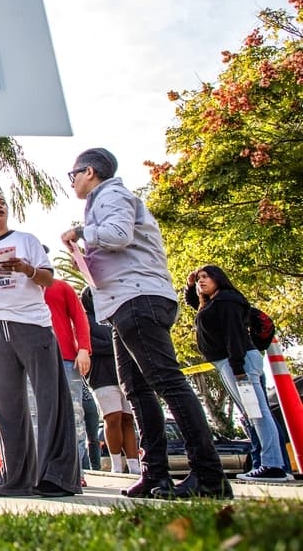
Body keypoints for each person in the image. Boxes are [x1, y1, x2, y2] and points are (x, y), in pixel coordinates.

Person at [61, 148, 231, 499]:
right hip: (121, 303)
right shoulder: (102, 202)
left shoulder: (112, 195)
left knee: (167, 381)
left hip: (138, 298)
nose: (72, 181)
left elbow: (118, 234)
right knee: (137, 390)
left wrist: (80, 232)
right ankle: (155, 474)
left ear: (89, 172)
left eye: (73, 174)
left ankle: (209, 476)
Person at [0, 187, 80, 498]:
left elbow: (48, 279)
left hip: (32, 325)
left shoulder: (26, 241)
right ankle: (16, 479)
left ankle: (57, 477)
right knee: (8, 405)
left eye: (2, 202)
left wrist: (26, 269)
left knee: (49, 400)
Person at [185, 265, 288, 482]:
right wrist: (190, 286)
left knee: (258, 413)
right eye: (200, 277)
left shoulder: (227, 300)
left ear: (218, 278)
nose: (202, 281)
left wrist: (238, 368)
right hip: (231, 363)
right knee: (253, 414)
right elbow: (197, 307)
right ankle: (270, 464)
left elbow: (234, 335)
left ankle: (273, 465)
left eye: (206, 277)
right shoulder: (213, 303)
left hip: (238, 362)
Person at [80, 286, 140, 474]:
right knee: (112, 418)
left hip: (125, 373)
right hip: (101, 376)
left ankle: (134, 466)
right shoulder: (85, 319)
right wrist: (116, 346)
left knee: (128, 419)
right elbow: (91, 345)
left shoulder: (113, 316)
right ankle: (116, 466)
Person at [43, 269, 93, 474]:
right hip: (36, 361)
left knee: (74, 415)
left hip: (66, 359)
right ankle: (46, 471)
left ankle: (75, 471)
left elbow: (79, 316)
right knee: (40, 417)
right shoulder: (22, 291)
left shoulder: (61, 287)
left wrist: (84, 349)